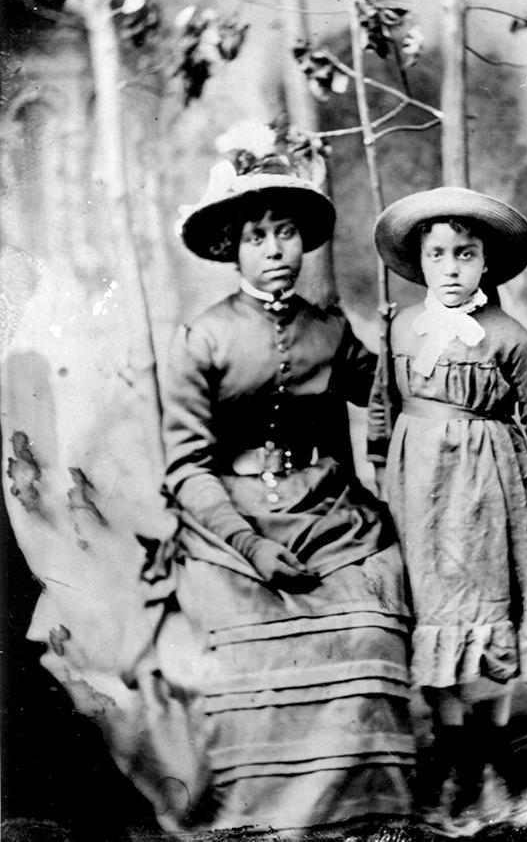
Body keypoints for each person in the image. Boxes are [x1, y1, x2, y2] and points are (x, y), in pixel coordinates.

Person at [160, 155, 415, 833]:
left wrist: (409, 337)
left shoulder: (329, 328)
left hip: (332, 516)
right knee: (250, 648)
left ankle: (368, 815)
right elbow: (186, 468)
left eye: (285, 232)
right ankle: (262, 820)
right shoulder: (202, 337)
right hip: (231, 526)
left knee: (368, 628)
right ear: (230, 250)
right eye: (255, 236)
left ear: (304, 239)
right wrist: (246, 544)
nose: (274, 249)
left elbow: (393, 392)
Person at [367, 186, 527, 818]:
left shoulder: (510, 337)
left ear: (485, 263)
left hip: (486, 488)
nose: (450, 267)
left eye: (465, 254)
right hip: (417, 492)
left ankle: (491, 757)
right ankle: (452, 753)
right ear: (421, 261)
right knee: (432, 610)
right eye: (437, 254)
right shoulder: (400, 327)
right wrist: (385, 486)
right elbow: (383, 409)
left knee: (485, 609)